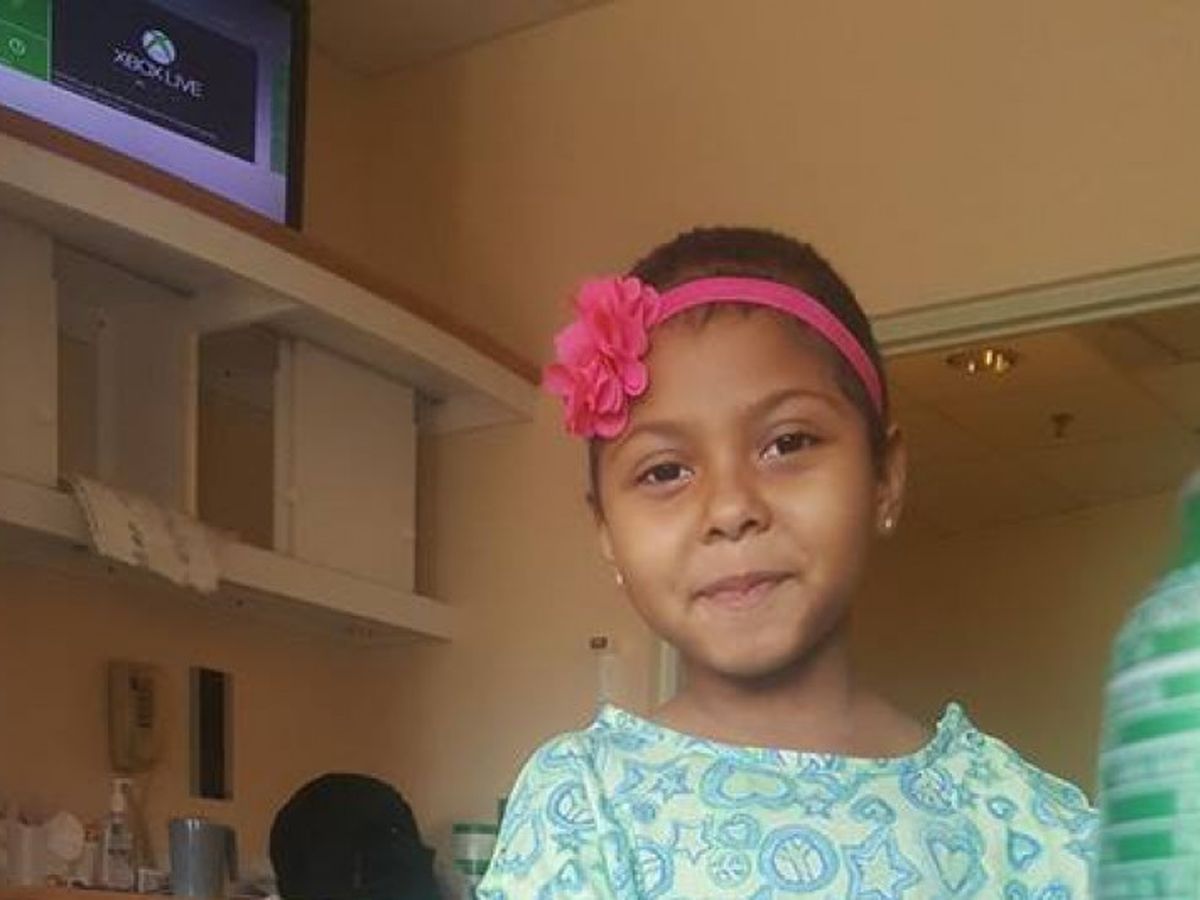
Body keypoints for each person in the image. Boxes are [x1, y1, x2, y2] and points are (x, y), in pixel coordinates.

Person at [478, 226, 1096, 898]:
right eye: (664, 471)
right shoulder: (586, 803)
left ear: (884, 479)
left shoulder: (1014, 821)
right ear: (607, 532)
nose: (730, 508)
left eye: (788, 443)